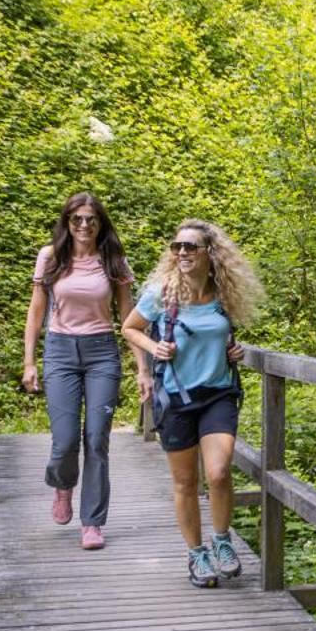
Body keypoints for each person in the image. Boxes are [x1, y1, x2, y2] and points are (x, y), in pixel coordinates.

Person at [122, 219, 261, 588]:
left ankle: (221, 539)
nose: (182, 253)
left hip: (218, 392)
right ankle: (197, 553)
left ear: (209, 253)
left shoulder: (223, 292)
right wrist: (155, 348)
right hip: (177, 397)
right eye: (176, 247)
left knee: (217, 472)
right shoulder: (163, 293)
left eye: (190, 247)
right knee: (185, 482)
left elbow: (224, 334)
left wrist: (234, 350)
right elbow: (129, 327)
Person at [21, 193, 147, 550]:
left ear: (100, 223)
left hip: (101, 353)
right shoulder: (51, 257)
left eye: (91, 219)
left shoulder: (113, 260)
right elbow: (35, 311)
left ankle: (92, 522)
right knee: (64, 442)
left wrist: (143, 369)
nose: (84, 226)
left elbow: (129, 319)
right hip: (60, 351)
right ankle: (63, 485)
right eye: (77, 219)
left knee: (96, 439)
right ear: (67, 222)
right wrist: (29, 362)